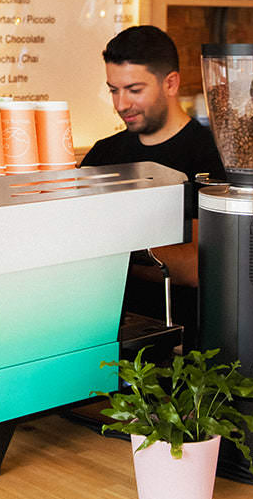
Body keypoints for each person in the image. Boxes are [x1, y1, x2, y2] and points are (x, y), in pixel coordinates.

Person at [80, 25, 225, 346]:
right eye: (113, 90)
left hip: (184, 343)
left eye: (134, 89)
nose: (120, 104)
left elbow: (195, 267)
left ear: (170, 83)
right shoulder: (104, 152)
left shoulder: (210, 155)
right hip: (107, 334)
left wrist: (104, 249)